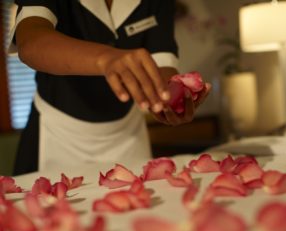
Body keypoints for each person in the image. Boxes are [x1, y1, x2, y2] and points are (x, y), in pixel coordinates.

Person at [9, 0, 210, 175]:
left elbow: (162, 64)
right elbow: (30, 43)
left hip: (128, 135)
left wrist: (169, 97)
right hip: (58, 135)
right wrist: (107, 59)